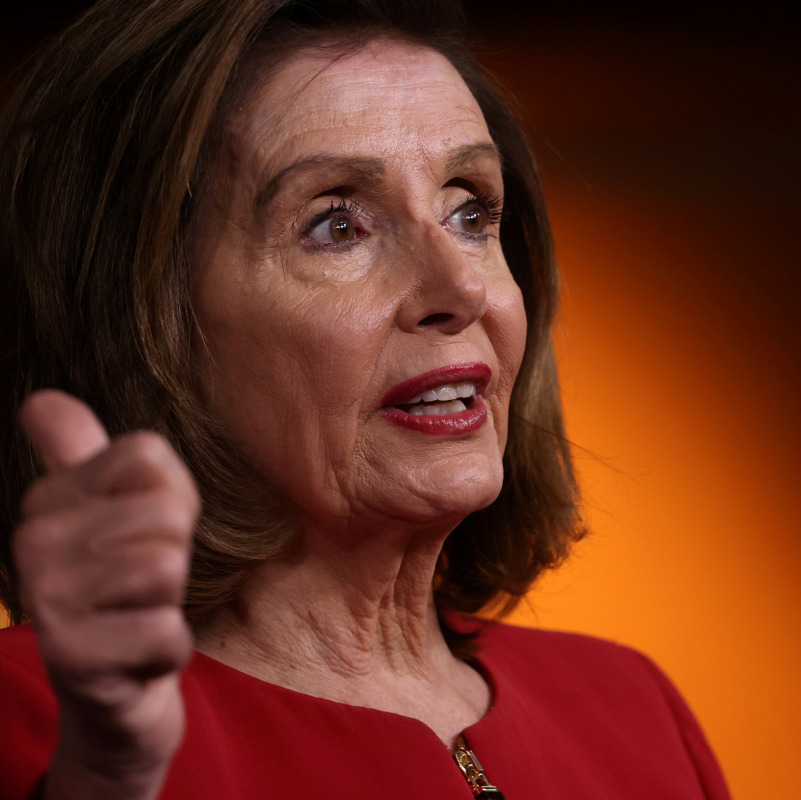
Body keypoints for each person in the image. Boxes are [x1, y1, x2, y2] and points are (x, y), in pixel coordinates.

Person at [0, 1, 731, 798]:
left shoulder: (632, 707)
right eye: (337, 225)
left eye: (470, 211)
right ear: (145, 318)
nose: (457, 288)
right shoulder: (40, 721)